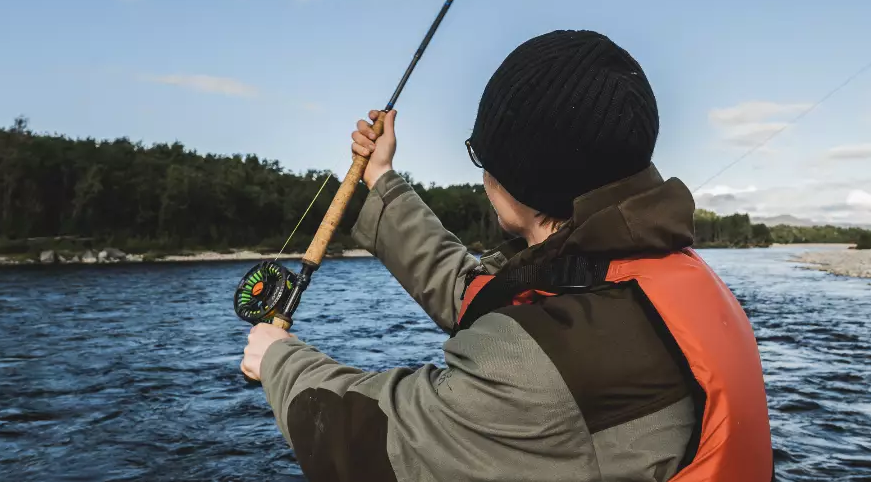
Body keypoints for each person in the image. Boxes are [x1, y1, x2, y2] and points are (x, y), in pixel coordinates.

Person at [241, 30, 774, 482]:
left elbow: (373, 439)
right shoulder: (655, 275)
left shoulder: (543, 367)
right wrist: (381, 178)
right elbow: (477, 292)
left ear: (520, 178)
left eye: (481, 156)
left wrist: (278, 360)